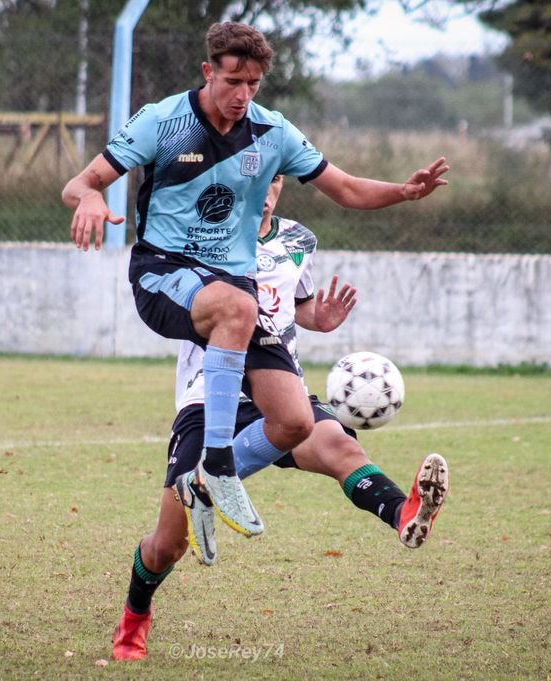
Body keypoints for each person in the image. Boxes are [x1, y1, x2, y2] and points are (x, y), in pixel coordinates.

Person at [62, 22, 448, 548]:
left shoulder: (272, 132)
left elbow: (348, 188)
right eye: (233, 81)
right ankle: (218, 465)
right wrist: (87, 198)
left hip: (231, 293)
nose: (243, 95)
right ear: (208, 72)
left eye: (254, 85)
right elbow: (82, 183)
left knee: (293, 420)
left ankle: (203, 483)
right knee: (237, 308)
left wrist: (403, 191)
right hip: (162, 275)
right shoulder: (163, 122)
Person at [110, 174, 450, 661]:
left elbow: (294, 305)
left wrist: (319, 318)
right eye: (253, 180)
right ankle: (133, 620)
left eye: (273, 180)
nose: (264, 190)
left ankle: (405, 514)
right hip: (210, 394)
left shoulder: (297, 240)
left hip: (278, 389)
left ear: (281, 185)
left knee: (338, 446)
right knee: (169, 543)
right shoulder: (206, 237)